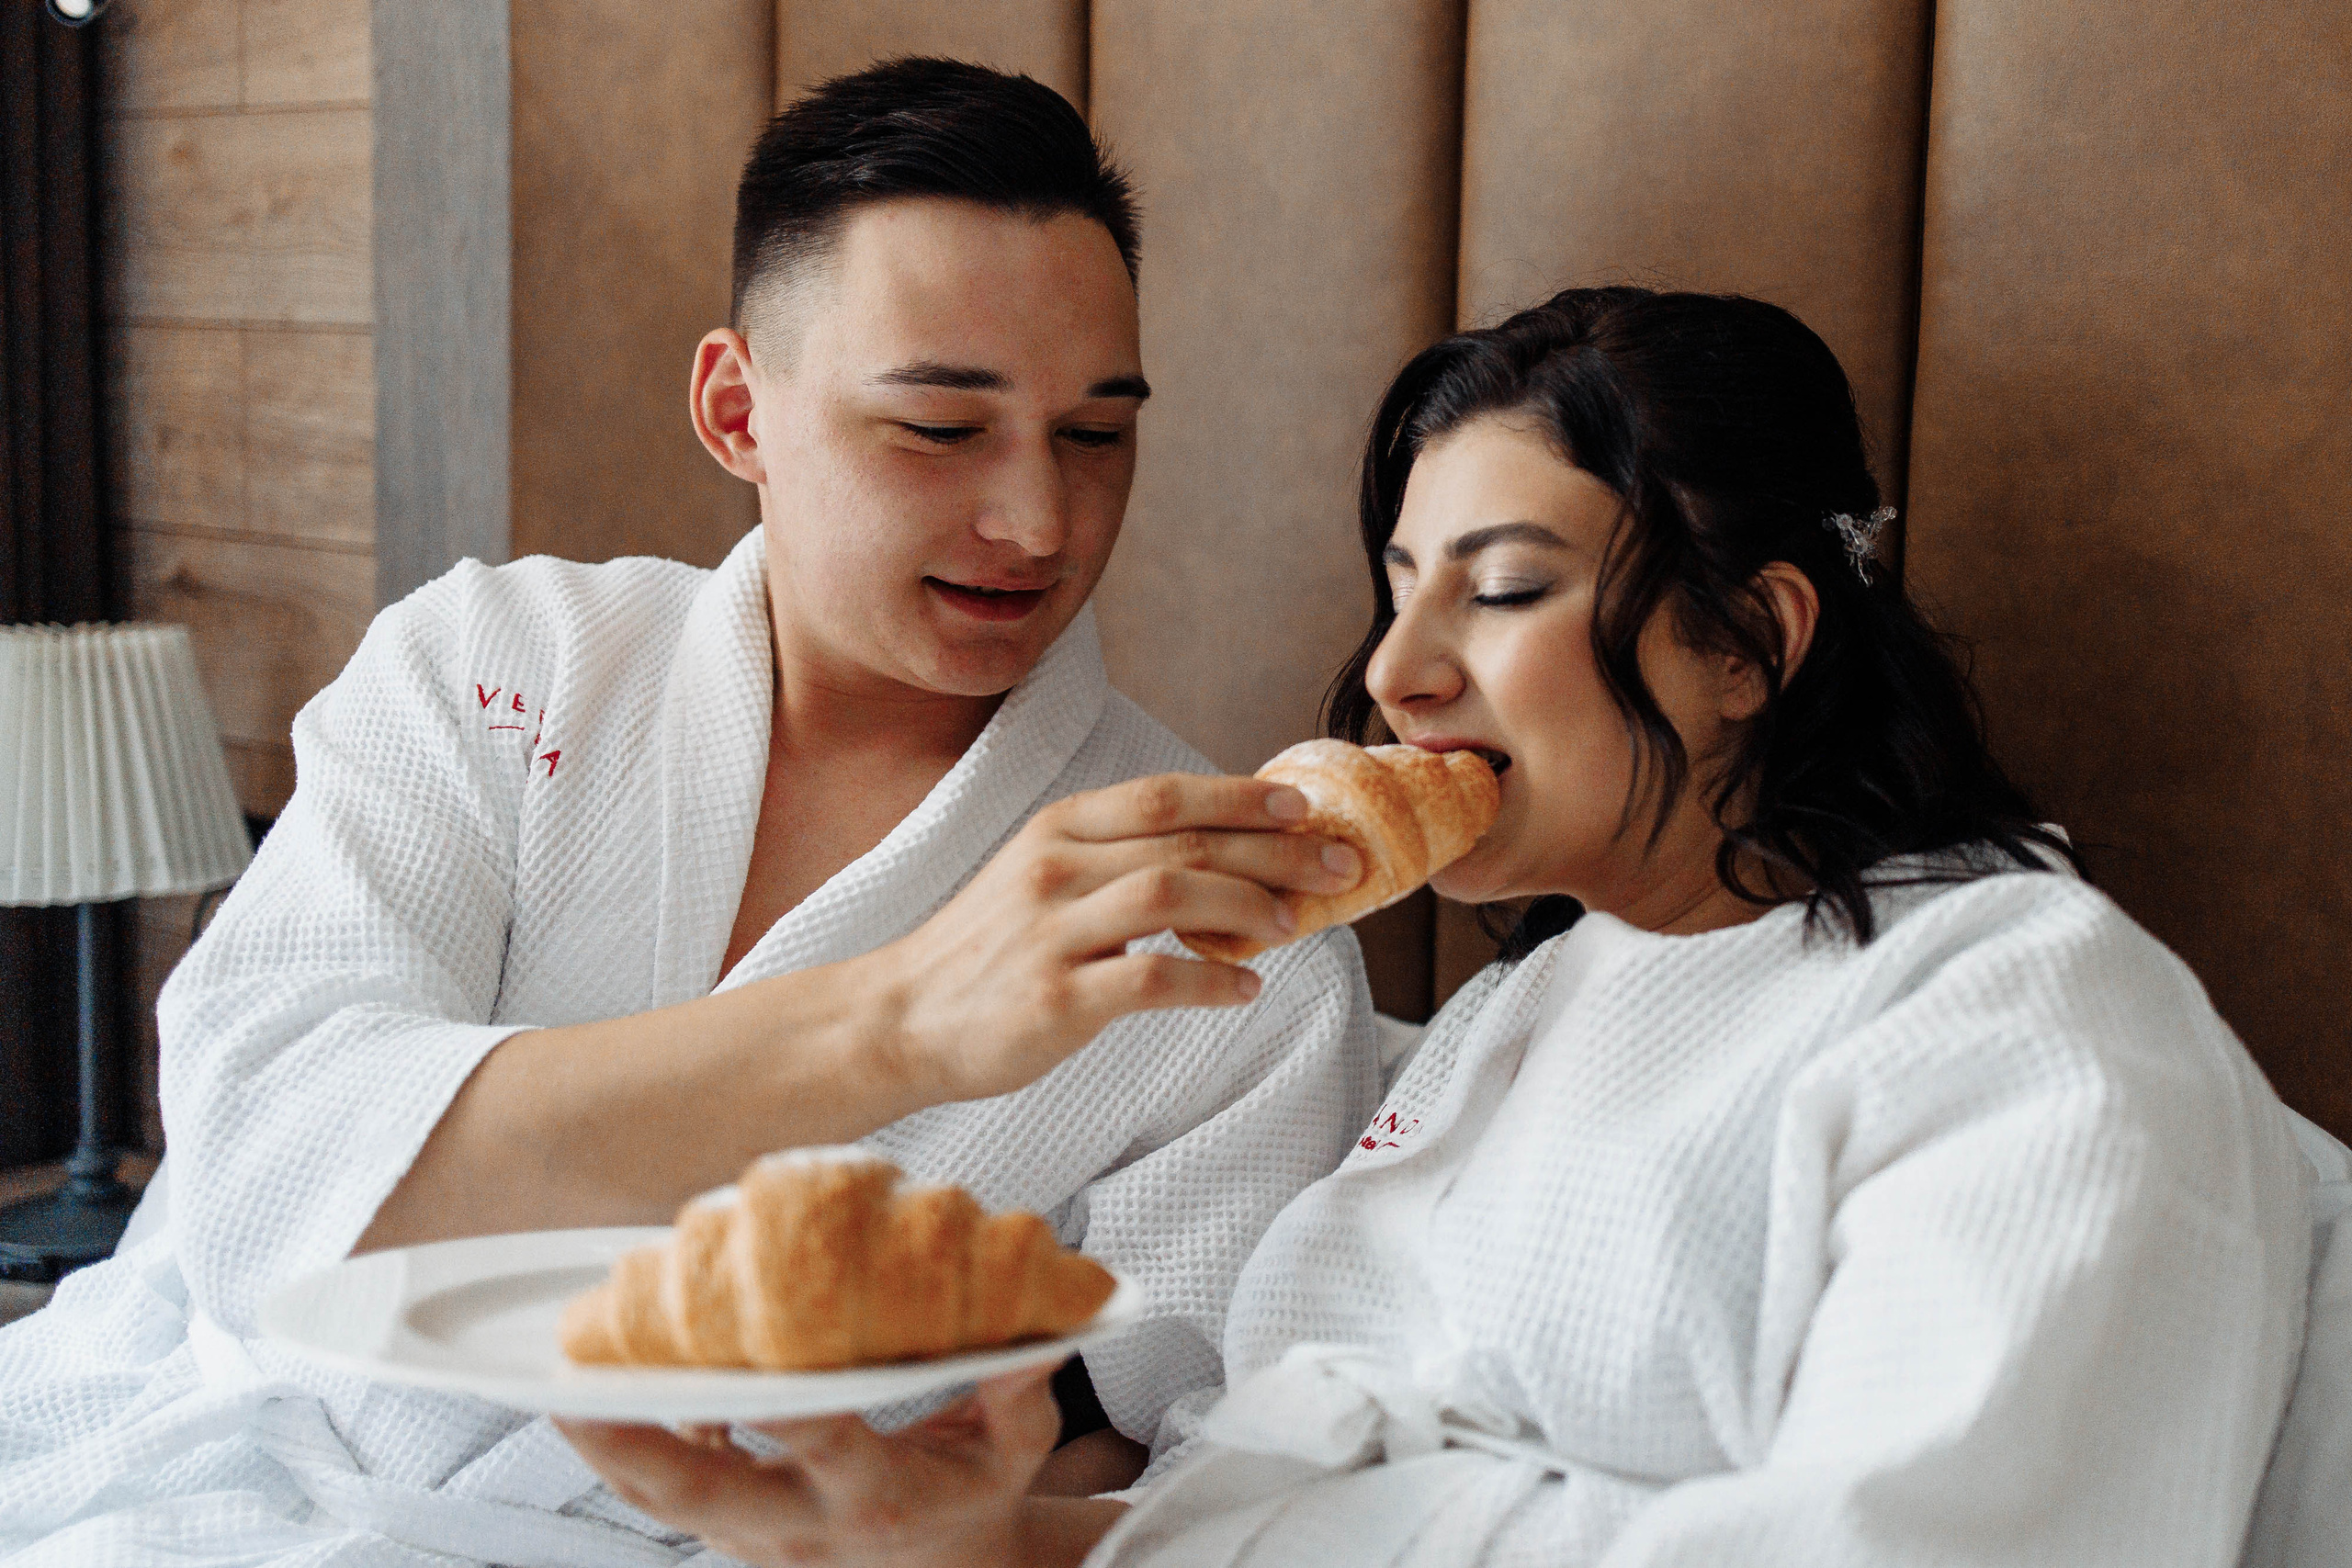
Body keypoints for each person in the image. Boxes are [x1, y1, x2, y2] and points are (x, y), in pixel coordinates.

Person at [558, 288, 2316, 1567]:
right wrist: (956, 1541)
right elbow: (1229, 1507)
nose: (1398, 674)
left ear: (1749, 645)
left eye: (1507, 590)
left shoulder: (2025, 1024)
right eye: (1401, 588)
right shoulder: (1513, 1021)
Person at [0, 60, 1382, 1566]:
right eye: (939, 429)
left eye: (1096, 434)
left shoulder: (1234, 930)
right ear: (737, 409)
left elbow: (1180, 1467)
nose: (1040, 525)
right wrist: (895, 1023)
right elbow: (267, 1168)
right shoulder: (495, 670)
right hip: (179, 1459)